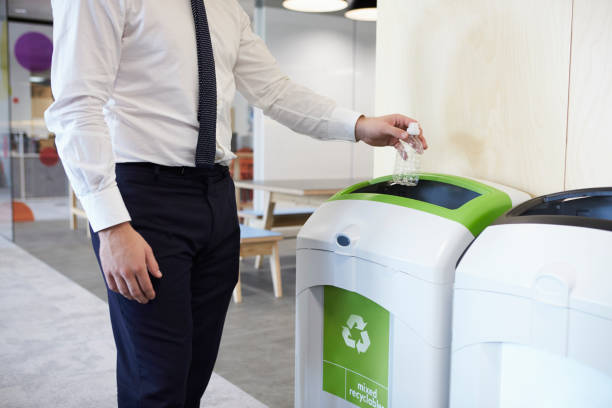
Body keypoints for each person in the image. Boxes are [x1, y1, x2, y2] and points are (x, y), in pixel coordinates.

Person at [45, 0, 428, 407]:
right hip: (144, 199)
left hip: (215, 195)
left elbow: (274, 91)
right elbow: (77, 105)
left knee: (194, 368)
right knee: (157, 378)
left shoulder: (224, 6)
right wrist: (111, 226)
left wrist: (358, 125)